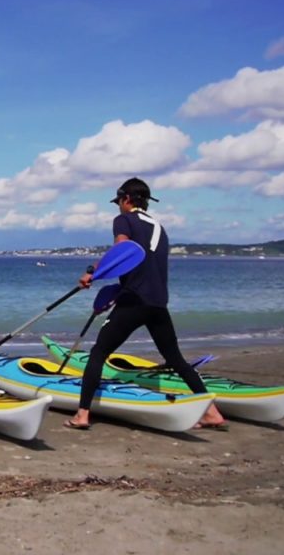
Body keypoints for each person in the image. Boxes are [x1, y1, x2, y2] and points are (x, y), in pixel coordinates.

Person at [65, 177, 227, 430]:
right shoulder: (160, 228)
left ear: (127, 199)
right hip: (158, 303)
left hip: (133, 302)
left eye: (119, 201)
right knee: (175, 359)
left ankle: (82, 415)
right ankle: (212, 413)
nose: (118, 206)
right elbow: (145, 268)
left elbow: (122, 249)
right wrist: (115, 292)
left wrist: (92, 274)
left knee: (98, 353)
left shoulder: (124, 219)